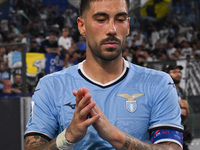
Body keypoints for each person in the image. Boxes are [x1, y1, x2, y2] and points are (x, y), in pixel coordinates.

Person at [24, 0, 183, 149]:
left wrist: (115, 136)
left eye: (120, 19)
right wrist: (68, 136)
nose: (112, 29)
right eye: (101, 19)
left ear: (128, 25)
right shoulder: (51, 86)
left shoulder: (158, 83)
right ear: (82, 25)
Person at [162, 64, 192, 150]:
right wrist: (178, 109)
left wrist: (186, 109)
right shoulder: (162, 90)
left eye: (179, 72)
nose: (178, 74)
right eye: (174, 72)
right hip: (166, 129)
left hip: (180, 127)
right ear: (167, 74)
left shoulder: (182, 91)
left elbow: (186, 112)